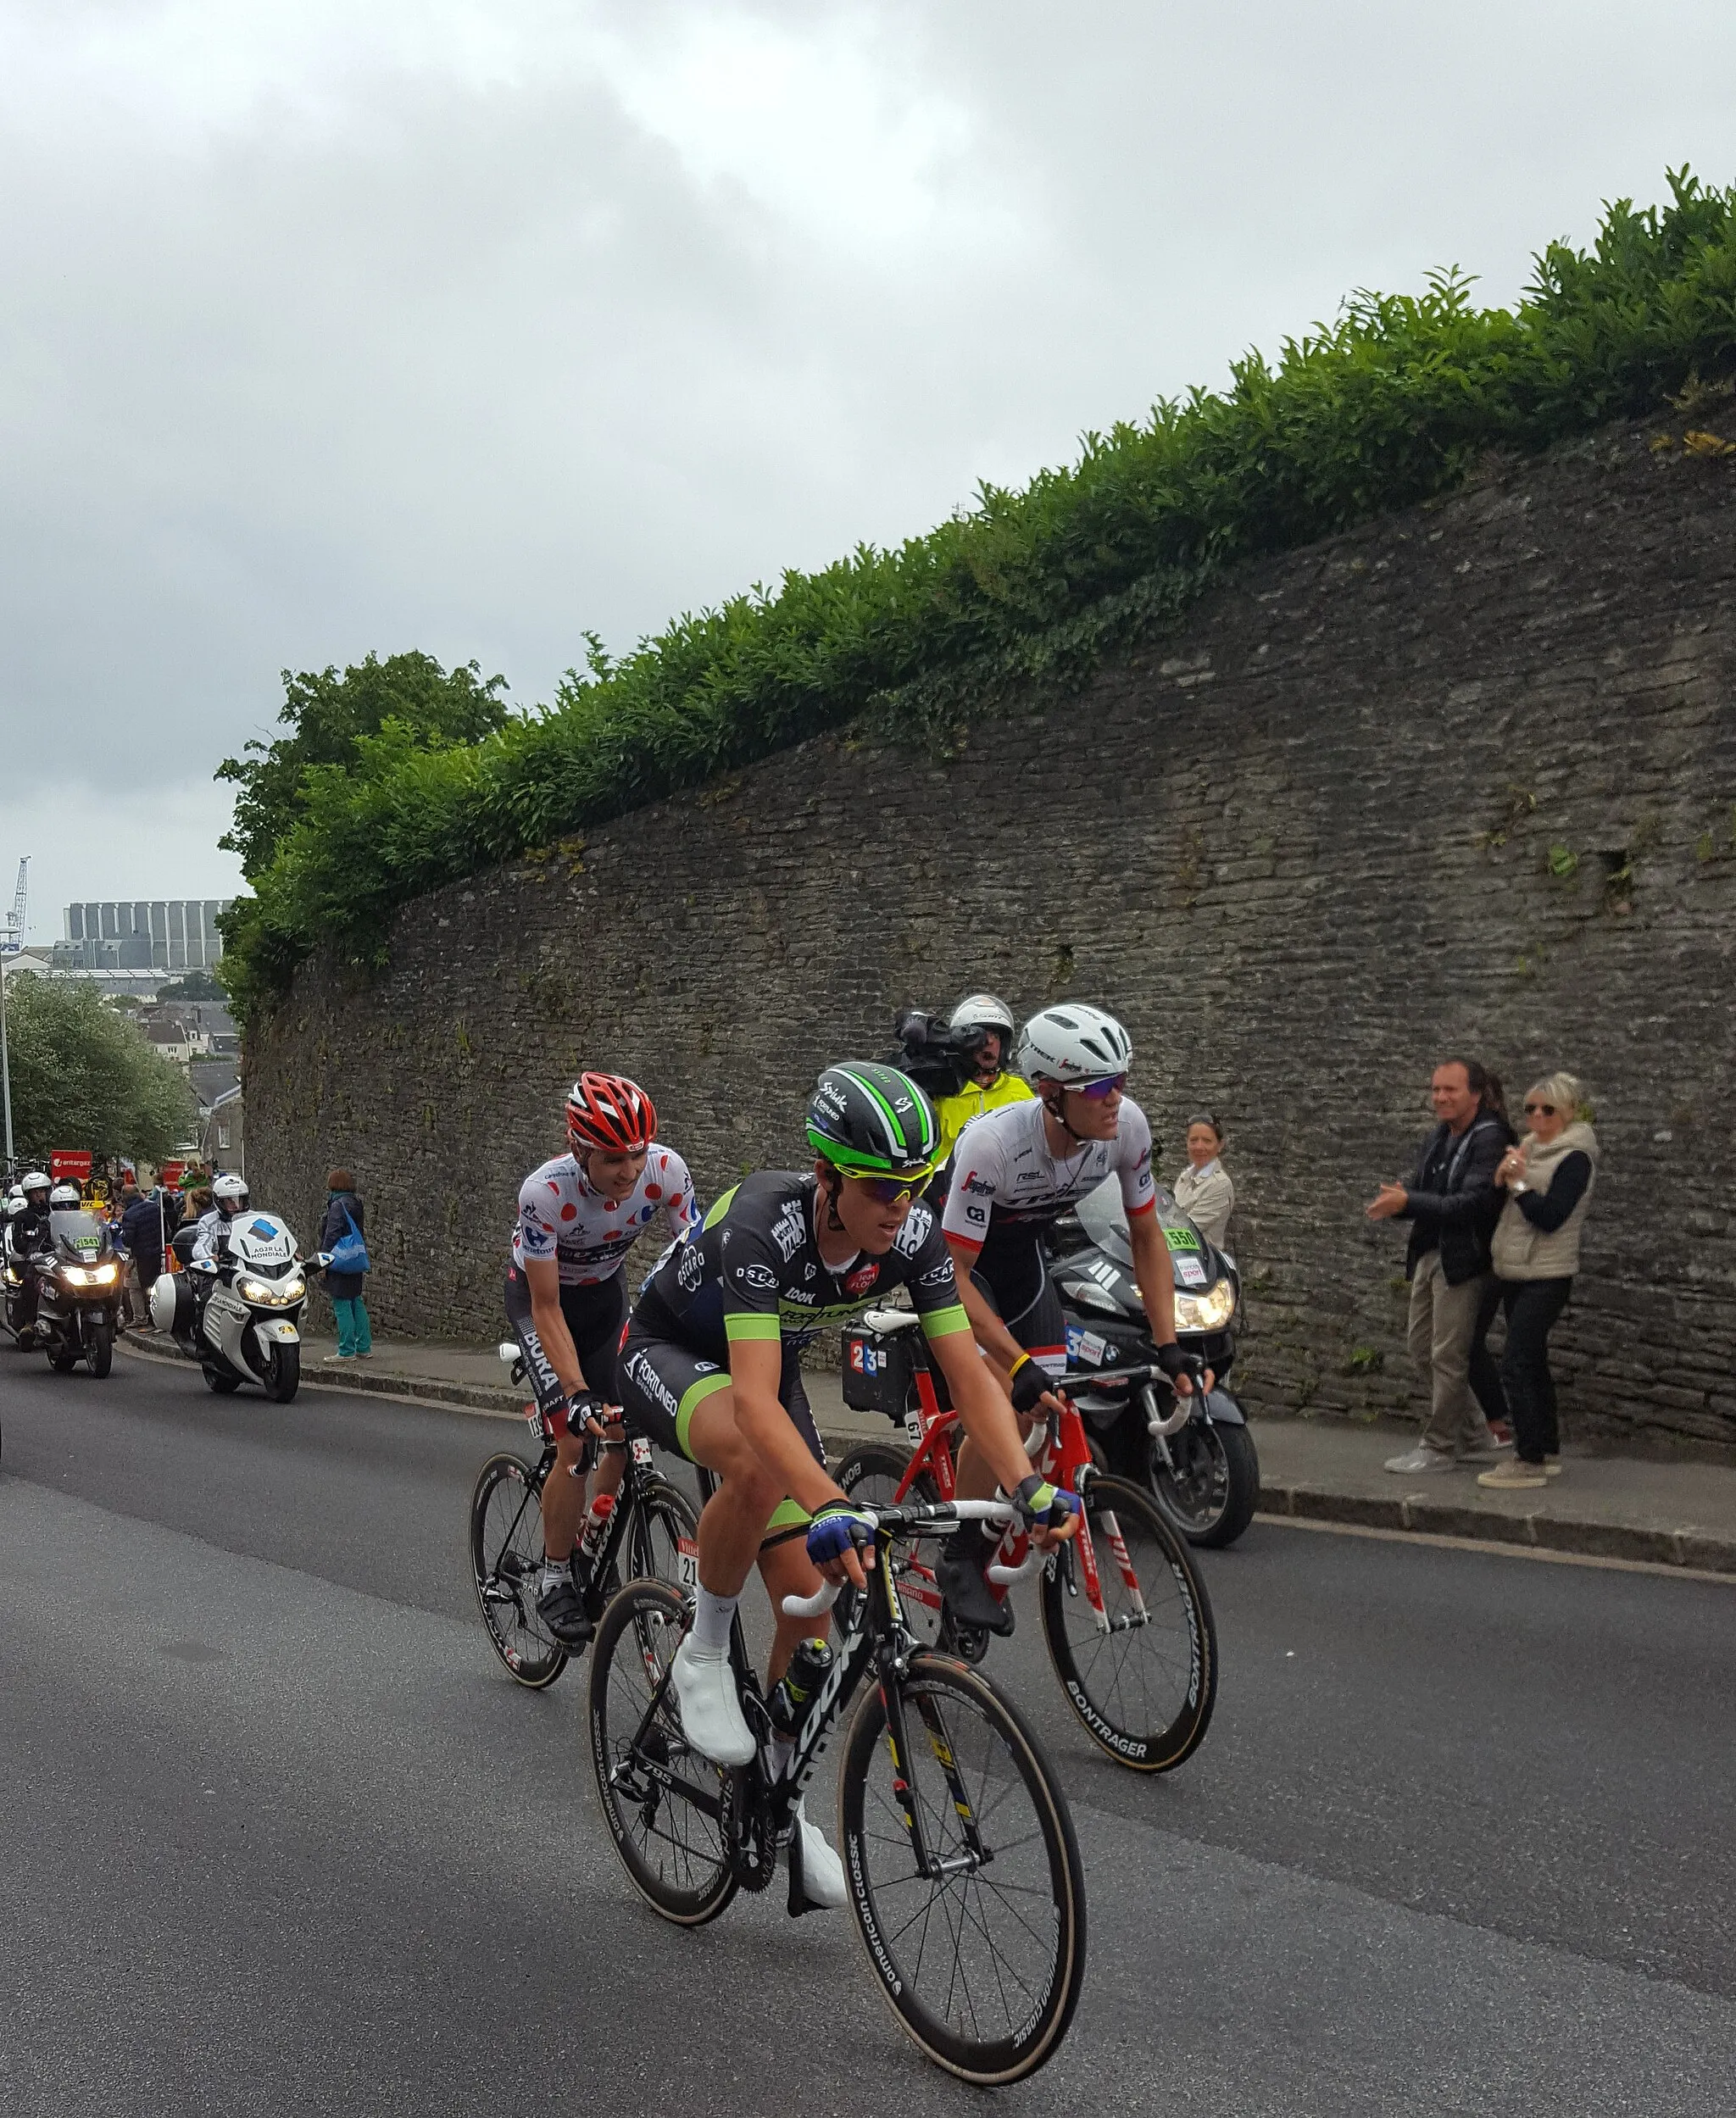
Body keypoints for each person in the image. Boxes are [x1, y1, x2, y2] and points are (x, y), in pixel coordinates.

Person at [617, 1060, 1078, 1907]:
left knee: (816, 1617)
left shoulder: (908, 1237)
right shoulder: (763, 1221)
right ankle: (704, 1652)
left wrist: (1025, 1484)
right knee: (761, 1462)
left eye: (916, 1187)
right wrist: (830, 1502)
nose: (899, 1207)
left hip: (762, 1371)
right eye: (880, 1188)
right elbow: (755, 1407)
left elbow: (969, 1375)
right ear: (825, 1174)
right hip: (671, 1354)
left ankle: (779, 1806)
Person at [938, 1003, 1201, 1632]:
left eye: (1123, 1082)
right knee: (1005, 1401)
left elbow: (1146, 1238)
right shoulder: (992, 1144)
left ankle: (1010, 1508)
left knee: (1047, 1412)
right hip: (955, 1269)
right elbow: (953, 1278)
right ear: (1051, 1093)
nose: (1117, 1099)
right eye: (1102, 1087)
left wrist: (1169, 1344)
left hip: (1023, 1261)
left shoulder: (1126, 1129)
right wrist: (1016, 1363)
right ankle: (960, 1554)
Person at [507, 1074, 698, 1648]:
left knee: (626, 1422)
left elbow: (695, 1265)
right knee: (575, 1435)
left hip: (606, 1294)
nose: (629, 1170)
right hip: (545, 1301)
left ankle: (593, 1537)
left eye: (637, 1153)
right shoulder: (544, 1193)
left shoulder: (668, 1172)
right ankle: (555, 1573)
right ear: (580, 1148)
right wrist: (574, 1388)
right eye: (614, 1157)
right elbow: (544, 1305)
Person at [1367, 1059, 1511, 1473]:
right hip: (1432, 1254)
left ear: (1477, 1094)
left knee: (1449, 1355)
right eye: (1436, 1090)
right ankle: (1474, 1431)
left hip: (1465, 1261)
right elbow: (1425, 1192)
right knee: (1420, 1347)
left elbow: (1474, 1204)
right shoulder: (1440, 1136)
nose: (1440, 1098)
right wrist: (1400, 1201)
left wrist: (1409, 1202)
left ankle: (1440, 1447)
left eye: (1450, 1090)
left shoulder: (1490, 1138)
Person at [1477, 1073, 1600, 1490]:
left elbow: (1551, 1217)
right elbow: (1503, 1200)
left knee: (1516, 1362)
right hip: (1516, 1269)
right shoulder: (1529, 1148)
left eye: (1548, 1110)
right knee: (1533, 1361)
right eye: (1530, 1108)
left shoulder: (1576, 1156)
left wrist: (1520, 1184)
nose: (1537, 1117)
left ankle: (1526, 1458)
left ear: (1568, 1113)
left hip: (1548, 1273)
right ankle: (1545, 1450)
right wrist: (1503, 1178)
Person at [930, 995, 1034, 1168]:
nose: (990, 1042)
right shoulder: (941, 1092)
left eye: (996, 1035)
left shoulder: (1018, 1091)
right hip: (944, 1190)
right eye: (981, 1035)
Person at [319, 1169, 374, 1363]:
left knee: (342, 1305)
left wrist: (323, 1260)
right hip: (355, 1259)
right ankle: (364, 1347)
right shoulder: (356, 1203)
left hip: (339, 1260)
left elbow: (332, 1234)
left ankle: (346, 1350)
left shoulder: (337, 1206)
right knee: (356, 1302)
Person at [4, 1171, 54, 1342]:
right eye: (35, 1192)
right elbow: (18, 1242)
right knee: (29, 1279)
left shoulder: (57, 1212)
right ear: (28, 1195)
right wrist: (29, 1245)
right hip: (32, 1259)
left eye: (41, 1191)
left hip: (58, 1257)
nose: (39, 1195)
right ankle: (29, 1323)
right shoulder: (23, 1216)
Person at [1173, 1112, 1235, 1250]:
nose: (1199, 1147)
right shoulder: (1185, 1176)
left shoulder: (1220, 1184)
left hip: (1203, 1263)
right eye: (1193, 1140)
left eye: (1207, 1141)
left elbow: (1188, 1229)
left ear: (1220, 1145)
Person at [190, 1173, 251, 1262]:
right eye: (230, 1201)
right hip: (226, 1270)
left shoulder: (254, 1218)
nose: (236, 1206)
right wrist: (209, 1256)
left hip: (255, 1269)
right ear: (220, 1202)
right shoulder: (209, 1222)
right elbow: (201, 1246)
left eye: (239, 1200)